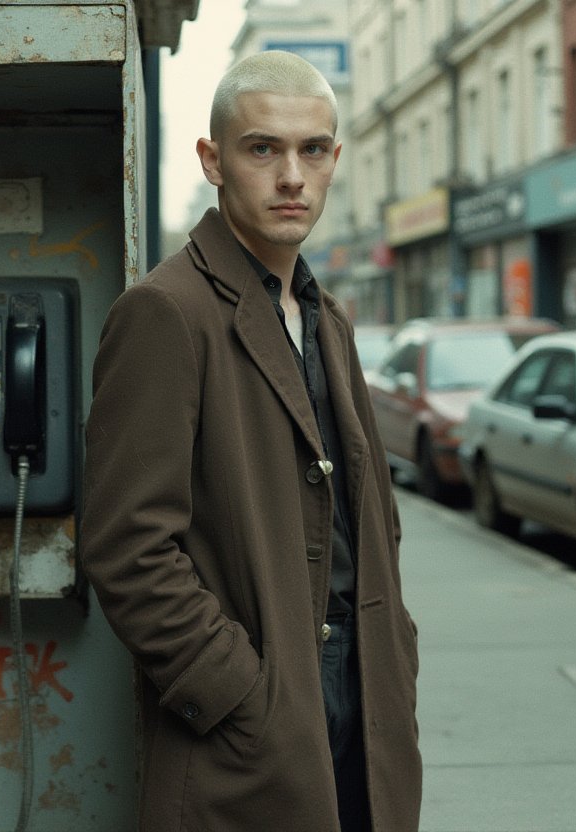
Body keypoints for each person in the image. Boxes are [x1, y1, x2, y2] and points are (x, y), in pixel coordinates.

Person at [79, 50, 421, 832]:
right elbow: (127, 547)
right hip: (256, 718)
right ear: (214, 161)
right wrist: (240, 692)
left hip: (363, 697)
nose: (291, 175)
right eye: (262, 148)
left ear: (335, 159)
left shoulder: (326, 317)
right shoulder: (167, 311)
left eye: (312, 150)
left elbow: (373, 522)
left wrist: (395, 653)